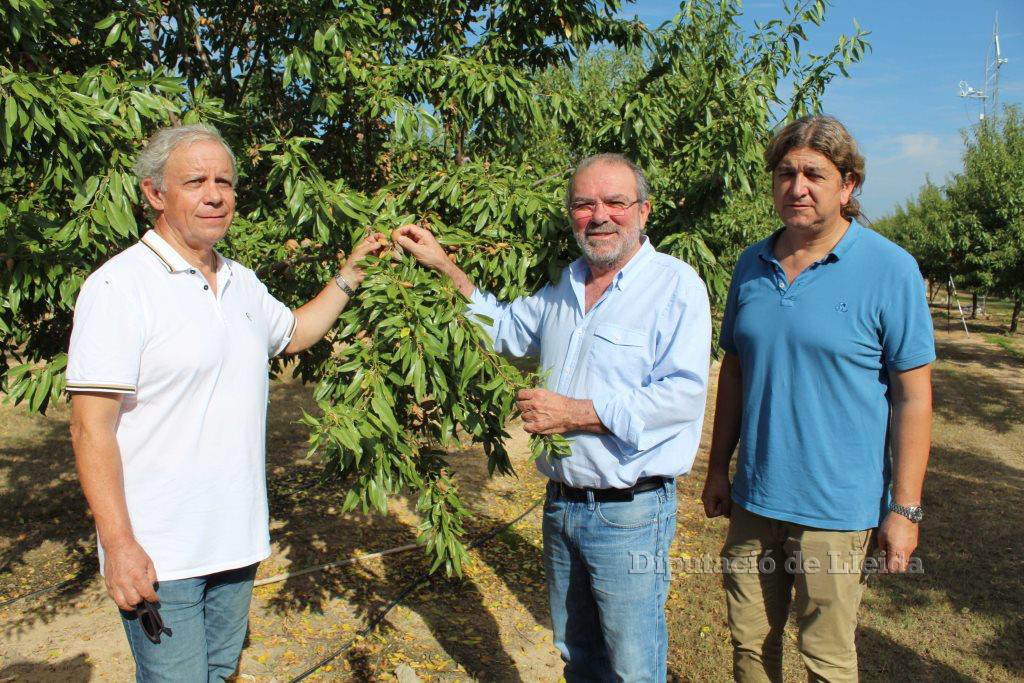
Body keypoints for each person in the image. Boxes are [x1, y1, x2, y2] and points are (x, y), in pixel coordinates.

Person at [67, 124, 385, 682]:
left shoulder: (242, 281)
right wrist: (117, 544)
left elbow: (294, 333)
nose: (215, 195)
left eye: (225, 182)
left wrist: (350, 275)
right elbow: (90, 428)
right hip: (162, 553)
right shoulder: (119, 287)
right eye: (196, 182)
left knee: (219, 672)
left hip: (236, 542)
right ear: (154, 193)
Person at [393, 153, 711, 682]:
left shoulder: (676, 287)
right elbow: (506, 330)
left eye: (615, 202)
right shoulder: (565, 284)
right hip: (562, 507)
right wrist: (444, 266)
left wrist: (576, 414)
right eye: (584, 204)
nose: (599, 216)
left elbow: (681, 397)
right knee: (577, 656)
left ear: (644, 210)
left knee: (633, 667)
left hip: (630, 514)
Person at [701, 115, 935, 682]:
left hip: (837, 509)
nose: (797, 187)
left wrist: (904, 510)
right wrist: (718, 468)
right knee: (750, 646)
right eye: (786, 173)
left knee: (826, 659)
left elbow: (913, 398)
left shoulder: (890, 269)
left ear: (848, 185)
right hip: (756, 500)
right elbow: (735, 371)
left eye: (814, 175)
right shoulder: (751, 264)